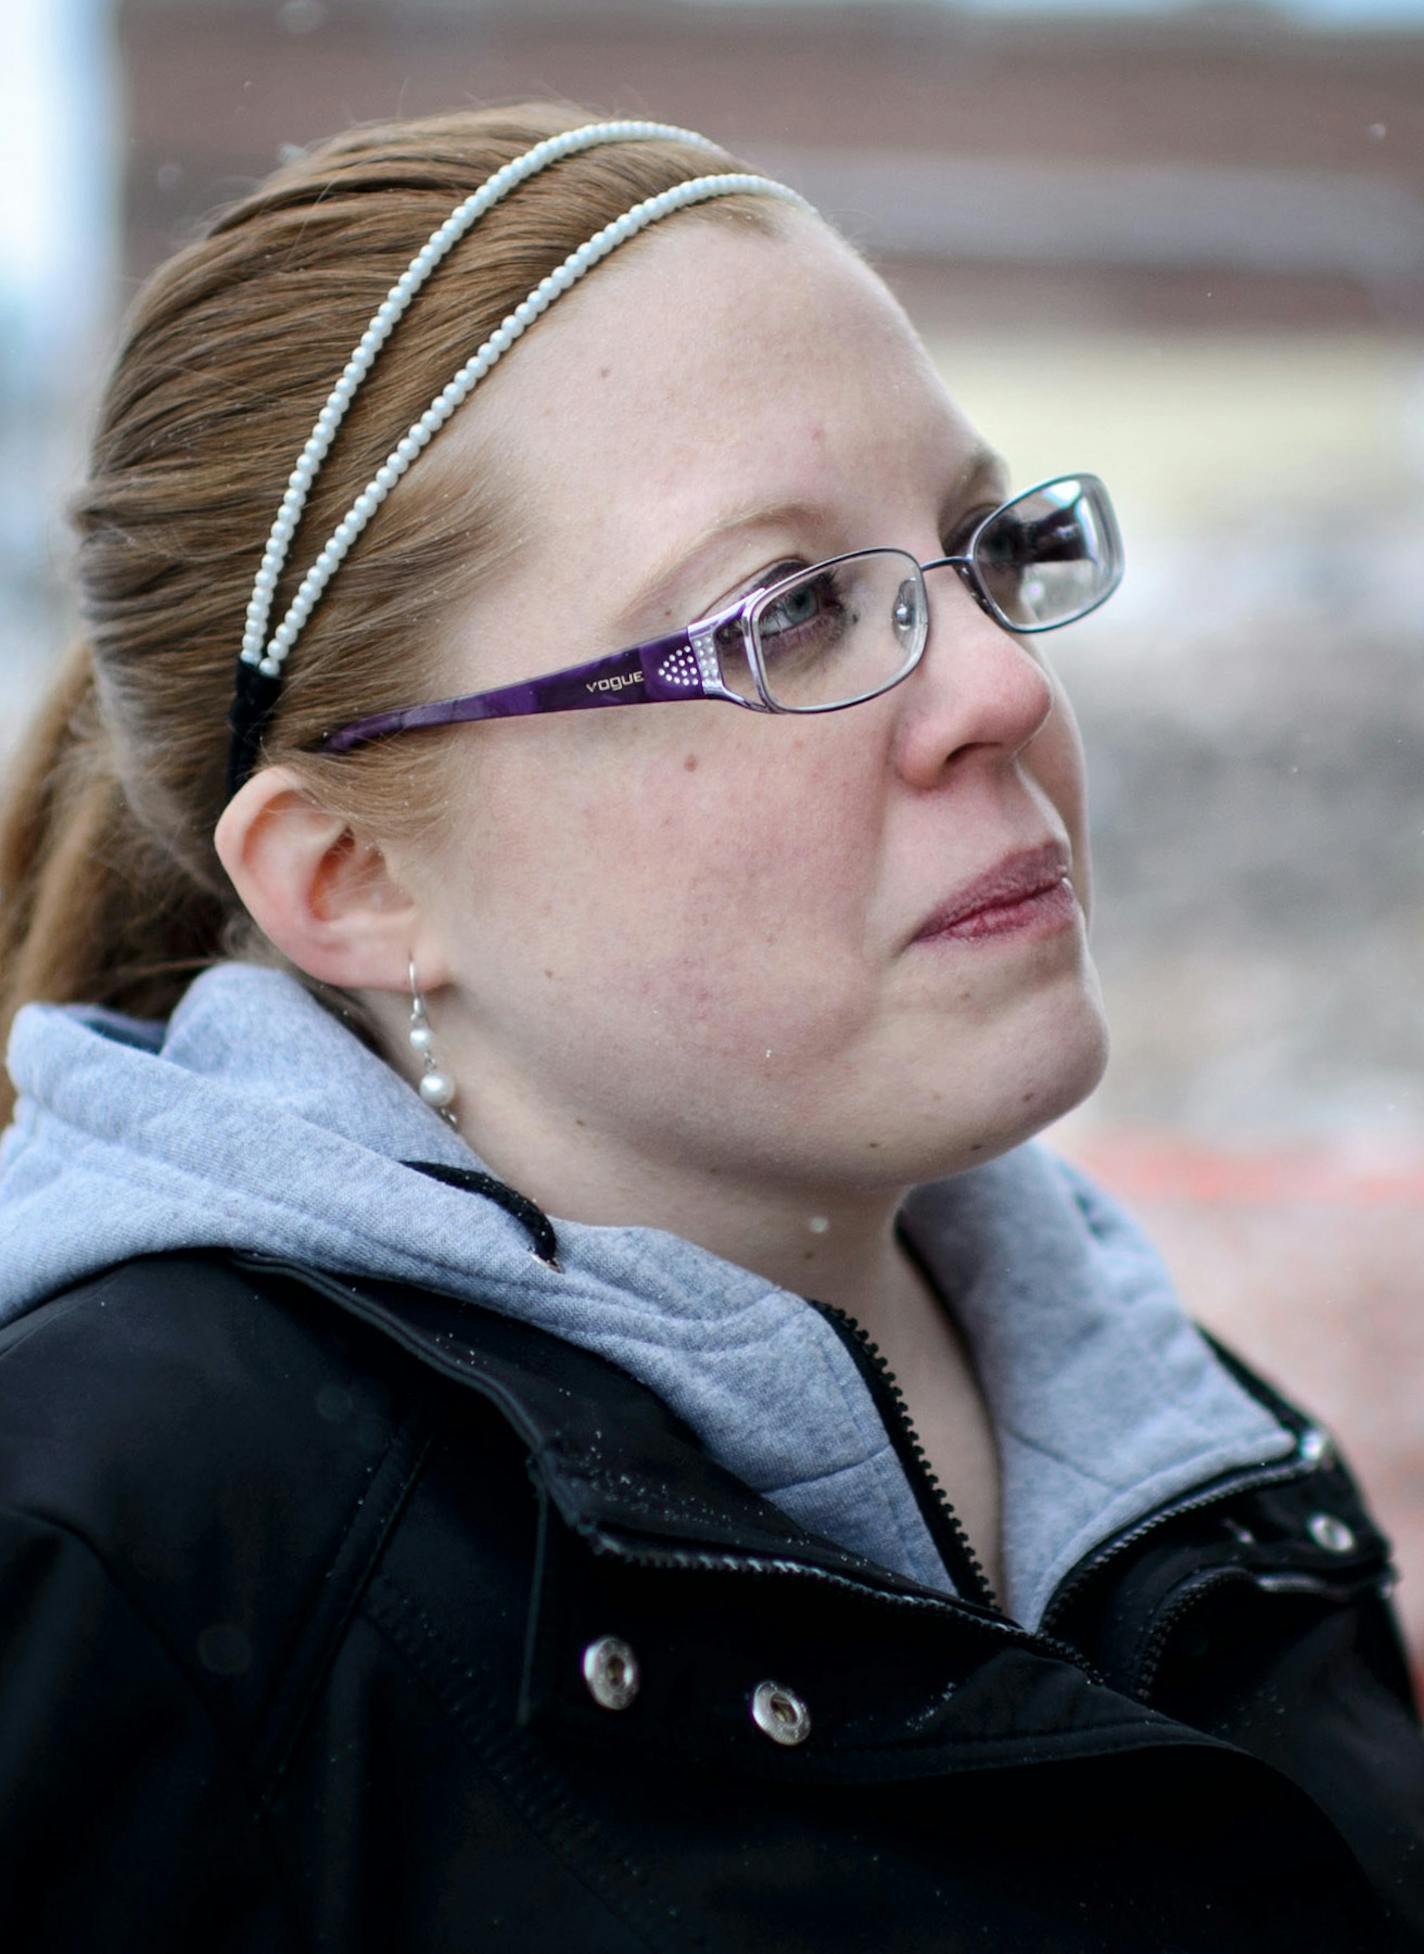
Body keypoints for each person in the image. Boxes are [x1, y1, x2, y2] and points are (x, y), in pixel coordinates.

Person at [0, 103, 1418, 1954]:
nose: (1001, 680)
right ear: (350, 874)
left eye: (981, 542)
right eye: (785, 614)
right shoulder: (120, 1570)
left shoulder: (1186, 1439)